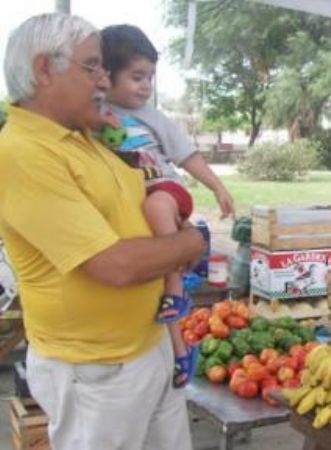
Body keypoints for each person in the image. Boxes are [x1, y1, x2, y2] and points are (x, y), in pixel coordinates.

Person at [0, 14, 205, 449]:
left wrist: (174, 233)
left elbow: (146, 210)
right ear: (44, 69)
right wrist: (191, 242)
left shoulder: (92, 139)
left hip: (148, 345)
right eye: (92, 66)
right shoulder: (22, 154)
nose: (103, 80)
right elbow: (115, 265)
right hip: (96, 371)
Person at [100, 24, 235, 387]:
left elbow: (185, 155)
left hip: (166, 190)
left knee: (158, 211)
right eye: (136, 77)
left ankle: (176, 287)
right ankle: (179, 353)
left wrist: (217, 186)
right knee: (155, 293)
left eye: (149, 77)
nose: (145, 86)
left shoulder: (151, 116)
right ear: (106, 75)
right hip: (134, 201)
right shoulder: (94, 114)